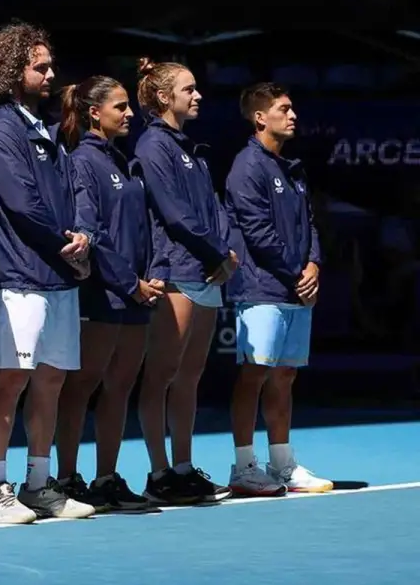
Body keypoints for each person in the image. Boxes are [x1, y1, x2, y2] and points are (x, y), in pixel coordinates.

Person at [0, 22, 96, 522]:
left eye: (50, 66)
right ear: (12, 71)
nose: (49, 75)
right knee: (13, 381)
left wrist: (85, 234)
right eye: (39, 67)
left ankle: (39, 484)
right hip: (21, 278)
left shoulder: (48, 129)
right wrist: (68, 246)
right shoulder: (0, 130)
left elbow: (76, 190)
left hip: (60, 277)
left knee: (51, 382)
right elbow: (22, 203)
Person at [53, 76, 163, 514]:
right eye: (120, 106)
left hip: (136, 294)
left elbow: (144, 228)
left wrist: (148, 278)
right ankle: (66, 478)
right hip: (103, 295)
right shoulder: (82, 161)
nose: (130, 113)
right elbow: (91, 232)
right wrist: (130, 284)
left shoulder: (126, 162)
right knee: (81, 387)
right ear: (94, 112)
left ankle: (106, 479)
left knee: (120, 387)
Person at [131, 57, 238, 505]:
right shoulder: (152, 145)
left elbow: (214, 209)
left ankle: (183, 468)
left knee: (190, 377)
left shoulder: (192, 149)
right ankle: (159, 475)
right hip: (175, 271)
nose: (198, 96)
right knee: (161, 375)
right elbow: (174, 215)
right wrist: (218, 254)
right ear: (163, 97)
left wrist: (226, 254)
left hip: (207, 273)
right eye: (188, 89)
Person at [224, 82, 331, 495]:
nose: (292, 116)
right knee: (254, 374)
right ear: (259, 118)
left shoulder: (293, 169)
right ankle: (243, 468)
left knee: (284, 375)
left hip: (293, 288)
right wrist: (298, 273)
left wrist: (314, 264)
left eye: (291, 108)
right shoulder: (246, 167)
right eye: (283, 109)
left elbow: (310, 224)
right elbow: (257, 233)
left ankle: (283, 465)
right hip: (260, 288)